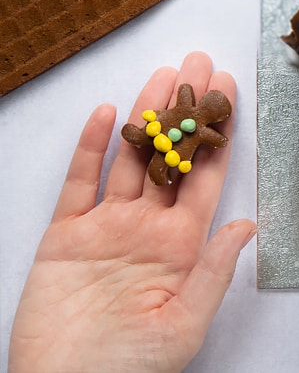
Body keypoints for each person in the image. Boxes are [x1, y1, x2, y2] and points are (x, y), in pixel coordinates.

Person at [7, 52, 257, 373]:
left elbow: (214, 136)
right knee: (149, 145)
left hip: (174, 149)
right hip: (165, 135)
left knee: (160, 164)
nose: (207, 108)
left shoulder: (202, 123)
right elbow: (194, 108)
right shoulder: (189, 103)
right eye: (210, 104)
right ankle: (139, 138)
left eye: (214, 109)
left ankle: (145, 144)